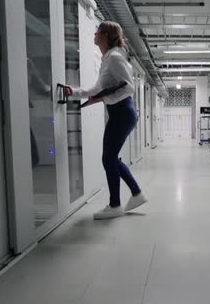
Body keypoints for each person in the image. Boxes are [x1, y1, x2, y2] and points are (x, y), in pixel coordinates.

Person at [63, 21, 147, 220]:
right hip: (118, 112)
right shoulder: (108, 59)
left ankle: (115, 205)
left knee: (108, 158)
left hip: (122, 112)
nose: (95, 34)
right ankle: (136, 194)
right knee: (111, 157)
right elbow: (97, 90)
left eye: (97, 32)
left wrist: (103, 96)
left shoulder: (115, 57)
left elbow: (128, 87)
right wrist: (74, 92)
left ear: (106, 35)